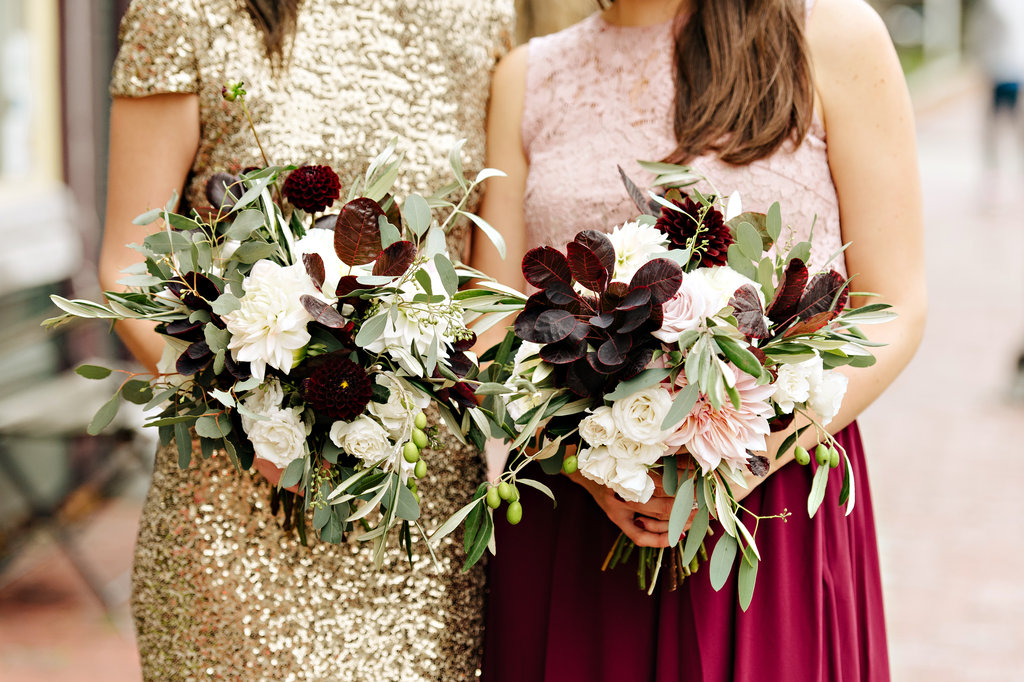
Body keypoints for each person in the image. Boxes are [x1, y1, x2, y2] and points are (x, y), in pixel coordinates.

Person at [473, 0, 925, 680]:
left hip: (764, 510)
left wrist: (745, 454)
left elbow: (894, 302)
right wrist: (584, 459)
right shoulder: (525, 75)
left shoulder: (829, 34)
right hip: (575, 517)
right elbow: (491, 321)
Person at [100, 0, 513, 679]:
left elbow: (485, 295)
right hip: (233, 513)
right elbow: (129, 265)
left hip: (412, 508)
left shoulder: (480, 14)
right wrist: (248, 416)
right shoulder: (182, 11)